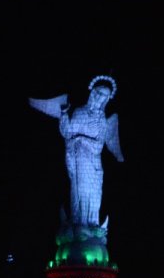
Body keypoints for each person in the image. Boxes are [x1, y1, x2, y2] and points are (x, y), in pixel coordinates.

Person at [29, 75, 124, 228]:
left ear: (107, 100)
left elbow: (99, 146)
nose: (100, 98)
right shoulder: (80, 112)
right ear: (93, 93)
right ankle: (78, 223)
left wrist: (81, 140)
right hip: (78, 160)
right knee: (79, 190)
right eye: (99, 94)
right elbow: (67, 133)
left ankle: (92, 224)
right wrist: (64, 114)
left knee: (93, 193)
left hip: (94, 164)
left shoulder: (102, 120)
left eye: (105, 97)